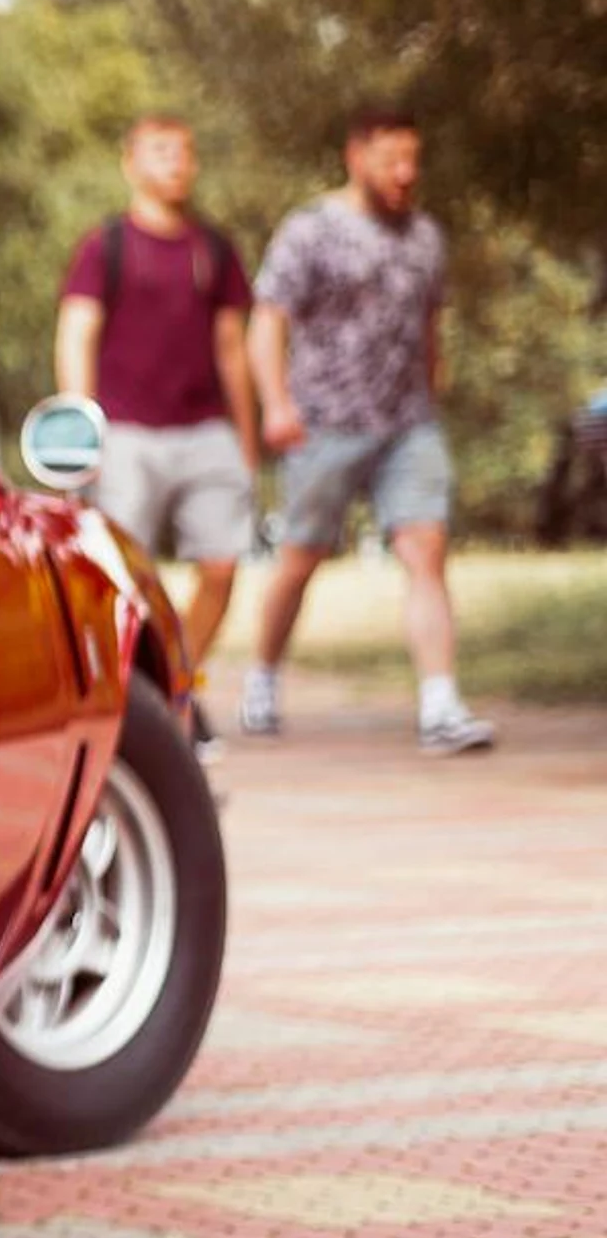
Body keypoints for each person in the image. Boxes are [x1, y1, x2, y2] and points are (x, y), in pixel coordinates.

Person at [240, 106, 493, 754]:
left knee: (425, 548)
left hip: (408, 423)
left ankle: (440, 705)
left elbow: (430, 322)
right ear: (357, 156)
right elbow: (269, 319)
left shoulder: (426, 236)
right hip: (325, 422)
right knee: (301, 557)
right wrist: (276, 404)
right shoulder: (311, 230)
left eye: (413, 160)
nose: (405, 174)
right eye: (391, 160)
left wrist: (433, 385)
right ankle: (263, 677)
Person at [55, 115, 259, 704]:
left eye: (185, 151)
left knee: (221, 569)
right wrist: (80, 433)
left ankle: (175, 685)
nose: (176, 162)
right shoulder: (106, 245)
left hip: (205, 429)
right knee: (127, 574)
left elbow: (231, 347)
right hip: (125, 434)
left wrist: (245, 439)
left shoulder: (213, 248)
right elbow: (76, 335)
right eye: (161, 150)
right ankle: (132, 693)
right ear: (131, 162)